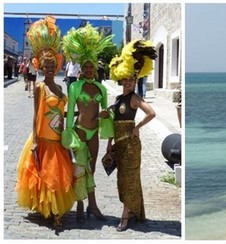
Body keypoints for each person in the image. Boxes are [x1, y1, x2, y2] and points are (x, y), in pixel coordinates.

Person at [16, 15, 75, 233]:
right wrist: (35, 142)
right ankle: (52, 213)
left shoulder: (61, 89)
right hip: (43, 138)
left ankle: (55, 211)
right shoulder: (40, 88)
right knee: (47, 176)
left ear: (57, 66)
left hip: (59, 139)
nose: (50, 68)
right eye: (46, 65)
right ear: (41, 67)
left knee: (59, 177)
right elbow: (35, 115)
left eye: (53, 65)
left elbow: (62, 112)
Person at [61, 23, 114, 223]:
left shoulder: (102, 89)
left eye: (92, 66)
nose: (90, 69)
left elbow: (106, 113)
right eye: (86, 67)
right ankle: (82, 205)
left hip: (94, 134)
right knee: (80, 170)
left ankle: (93, 205)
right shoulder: (74, 86)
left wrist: (105, 117)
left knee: (92, 169)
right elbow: (69, 111)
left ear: (96, 68)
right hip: (80, 132)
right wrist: (68, 134)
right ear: (81, 69)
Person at [108, 39, 157, 231]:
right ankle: (137, 211)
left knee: (129, 180)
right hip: (119, 145)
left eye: (132, 79)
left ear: (135, 81)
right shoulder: (119, 98)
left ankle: (125, 217)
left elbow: (151, 113)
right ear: (121, 79)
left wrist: (138, 127)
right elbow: (113, 121)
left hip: (130, 145)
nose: (128, 82)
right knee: (124, 180)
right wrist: (110, 143)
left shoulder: (135, 98)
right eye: (126, 79)